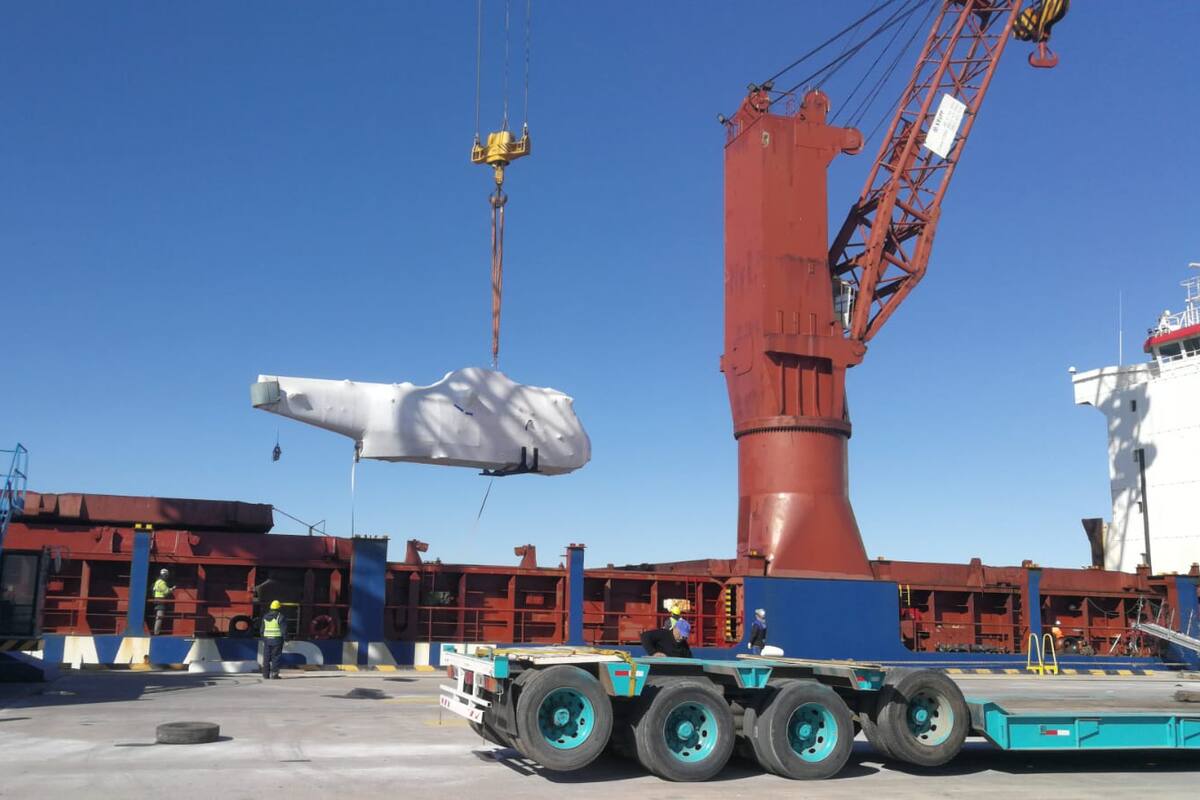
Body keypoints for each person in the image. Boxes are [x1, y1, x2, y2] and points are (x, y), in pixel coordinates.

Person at [261, 600, 286, 680]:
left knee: (266, 657)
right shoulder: (280, 616)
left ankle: (265, 675)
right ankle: (274, 675)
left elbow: (262, 630)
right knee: (276, 657)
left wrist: (264, 638)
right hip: (277, 640)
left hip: (267, 640)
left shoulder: (265, 616)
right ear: (279, 608)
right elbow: (283, 630)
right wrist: (286, 639)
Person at [151, 568, 174, 636]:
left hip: (157, 599)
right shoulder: (162, 582)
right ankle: (156, 632)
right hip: (161, 600)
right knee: (159, 617)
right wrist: (172, 589)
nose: (167, 577)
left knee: (158, 616)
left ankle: (155, 631)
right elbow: (166, 591)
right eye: (166, 575)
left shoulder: (157, 582)